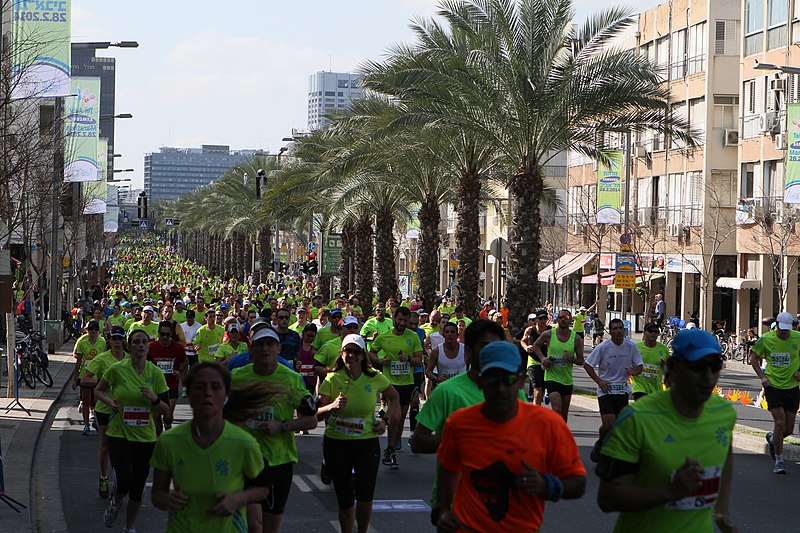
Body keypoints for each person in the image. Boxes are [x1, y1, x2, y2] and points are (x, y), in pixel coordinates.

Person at [432, 341, 587, 532]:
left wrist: (548, 485)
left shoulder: (548, 424)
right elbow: (448, 472)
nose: (500, 389)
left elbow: (578, 483)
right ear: (480, 381)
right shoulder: (458, 424)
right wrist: (443, 511)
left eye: (508, 380)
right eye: (492, 380)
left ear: (522, 381)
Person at [597, 328, 737, 533]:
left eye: (714, 366)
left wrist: (722, 511)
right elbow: (607, 497)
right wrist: (670, 491)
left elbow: (726, 452)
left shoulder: (723, 413)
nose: (707, 376)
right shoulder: (636, 419)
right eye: (697, 366)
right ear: (673, 367)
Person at [150, 363, 270, 533]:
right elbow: (157, 494)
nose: (207, 393)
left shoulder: (244, 443)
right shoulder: (169, 441)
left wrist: (237, 499)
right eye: (199, 387)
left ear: (226, 395)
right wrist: (168, 500)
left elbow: (263, 489)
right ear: (189, 395)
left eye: (215, 387)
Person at [231, 321, 318, 533]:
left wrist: (282, 425)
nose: (265, 349)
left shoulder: (291, 379)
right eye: (260, 344)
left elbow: (311, 420)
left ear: (278, 349)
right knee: (253, 524)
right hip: (245, 460)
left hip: (278, 461)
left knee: (270, 526)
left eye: (270, 344)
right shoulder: (237, 377)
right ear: (251, 348)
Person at [316, 334, 400, 533]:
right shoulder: (332, 378)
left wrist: (385, 421)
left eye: (356, 352)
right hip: (337, 443)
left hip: (366, 442)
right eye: (347, 351)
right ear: (341, 353)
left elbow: (394, 398)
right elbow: (315, 416)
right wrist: (332, 407)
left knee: (365, 496)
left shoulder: (375, 377)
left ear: (363, 356)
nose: (351, 356)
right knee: (345, 499)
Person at [94, 328, 170, 532]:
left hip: (145, 437)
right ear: (129, 345)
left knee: (138, 486)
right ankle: (116, 502)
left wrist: (154, 399)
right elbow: (98, 390)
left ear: (148, 345)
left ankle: (129, 527)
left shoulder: (155, 373)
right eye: (136, 342)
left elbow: (167, 411)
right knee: (125, 479)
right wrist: (111, 403)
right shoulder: (117, 369)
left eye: (144, 342)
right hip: (119, 433)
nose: (140, 345)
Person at [368, 306, 423, 470]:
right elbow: (371, 353)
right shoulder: (384, 337)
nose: (402, 323)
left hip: (407, 383)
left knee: (400, 418)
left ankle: (394, 442)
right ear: (393, 318)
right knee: (396, 416)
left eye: (405, 321)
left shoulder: (413, 337)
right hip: (390, 383)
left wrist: (409, 359)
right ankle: (390, 449)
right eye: (399, 320)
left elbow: (419, 360)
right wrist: (379, 361)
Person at [583, 318, 643, 463]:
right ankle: (603, 448)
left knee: (618, 425)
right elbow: (587, 365)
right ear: (610, 332)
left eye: (620, 328)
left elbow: (640, 366)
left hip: (622, 390)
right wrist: (599, 381)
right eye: (615, 328)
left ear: (624, 330)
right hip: (606, 389)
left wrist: (634, 371)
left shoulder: (631, 347)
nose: (618, 331)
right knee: (609, 423)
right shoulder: (603, 347)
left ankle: (605, 445)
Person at [749, 311, 800, 474]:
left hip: (792, 386)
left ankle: (772, 439)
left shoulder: (797, 337)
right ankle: (779, 460)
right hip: (773, 385)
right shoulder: (766, 339)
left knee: (789, 429)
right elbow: (753, 358)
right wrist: (763, 377)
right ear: (776, 325)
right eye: (782, 330)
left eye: (787, 330)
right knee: (779, 422)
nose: (784, 333)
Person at [82, 325, 128, 499]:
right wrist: (102, 383)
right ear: (109, 340)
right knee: (105, 447)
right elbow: (85, 379)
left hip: (125, 409)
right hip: (105, 409)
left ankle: (120, 478)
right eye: (114, 339)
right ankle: (103, 477)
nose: (117, 342)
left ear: (124, 340)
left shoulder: (131, 359)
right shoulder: (102, 359)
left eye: (119, 338)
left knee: (125, 447)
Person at [531, 309, 584, 422]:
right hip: (551, 377)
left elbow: (581, 361)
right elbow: (535, 346)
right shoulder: (549, 334)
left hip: (566, 379)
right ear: (557, 319)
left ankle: (561, 434)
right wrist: (543, 358)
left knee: (564, 413)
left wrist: (572, 359)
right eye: (560, 317)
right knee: (556, 408)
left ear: (571, 320)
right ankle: (554, 432)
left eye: (565, 318)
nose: (562, 320)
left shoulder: (576, 339)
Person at [148, 321, 189, 435]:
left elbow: (185, 361)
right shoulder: (152, 347)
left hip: (171, 385)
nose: (165, 337)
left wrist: (179, 372)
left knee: (168, 415)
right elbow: (144, 364)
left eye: (168, 334)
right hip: (155, 386)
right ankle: (160, 441)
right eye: (162, 334)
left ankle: (168, 423)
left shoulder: (177, 347)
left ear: (171, 333)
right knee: (156, 418)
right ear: (158, 333)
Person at [73, 319, 107, 435]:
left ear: (98, 331)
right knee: (86, 401)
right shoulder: (82, 342)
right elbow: (78, 361)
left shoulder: (102, 342)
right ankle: (86, 424)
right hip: (85, 374)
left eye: (95, 329)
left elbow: (106, 359)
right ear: (87, 330)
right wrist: (75, 379)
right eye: (90, 329)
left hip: (98, 375)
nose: (93, 332)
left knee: (97, 401)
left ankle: (96, 421)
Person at [632, 322, 669, 400]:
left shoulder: (663, 349)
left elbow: (669, 368)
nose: (653, 333)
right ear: (644, 332)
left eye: (655, 332)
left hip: (656, 389)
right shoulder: (636, 347)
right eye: (650, 331)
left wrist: (666, 364)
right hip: (639, 388)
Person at [520, 309, 550, 405]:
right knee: (537, 392)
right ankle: (536, 417)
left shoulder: (551, 331)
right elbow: (522, 341)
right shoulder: (530, 330)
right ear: (536, 319)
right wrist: (526, 347)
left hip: (547, 363)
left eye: (545, 318)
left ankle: (539, 408)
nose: (543, 320)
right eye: (541, 318)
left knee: (541, 393)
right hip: (533, 362)